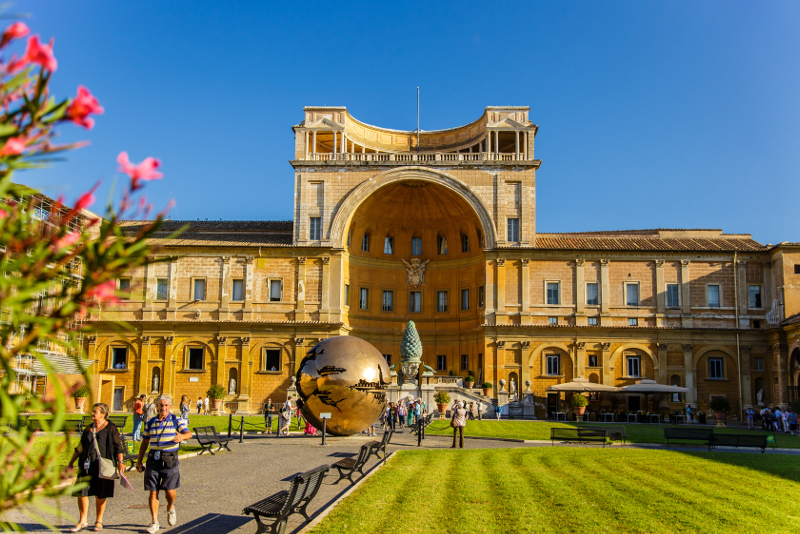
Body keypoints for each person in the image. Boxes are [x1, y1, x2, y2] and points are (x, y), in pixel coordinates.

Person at [136, 395, 192, 534]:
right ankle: (154, 521)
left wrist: (182, 436)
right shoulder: (150, 422)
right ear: (157, 407)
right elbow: (145, 442)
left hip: (170, 458)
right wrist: (139, 460)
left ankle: (170, 507)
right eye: (161, 405)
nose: (163, 408)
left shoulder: (176, 420)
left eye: (166, 405)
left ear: (170, 407)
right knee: (153, 491)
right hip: (153, 459)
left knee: (170, 491)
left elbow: (188, 433)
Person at [66, 403, 124, 533]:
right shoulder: (89, 428)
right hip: (86, 465)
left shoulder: (111, 428)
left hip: (103, 466)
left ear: (103, 414)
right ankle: (83, 520)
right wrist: (71, 462)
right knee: (82, 492)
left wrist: (121, 462)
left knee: (101, 493)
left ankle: (99, 520)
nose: (92, 414)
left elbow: (118, 446)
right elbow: (80, 446)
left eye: (95, 412)